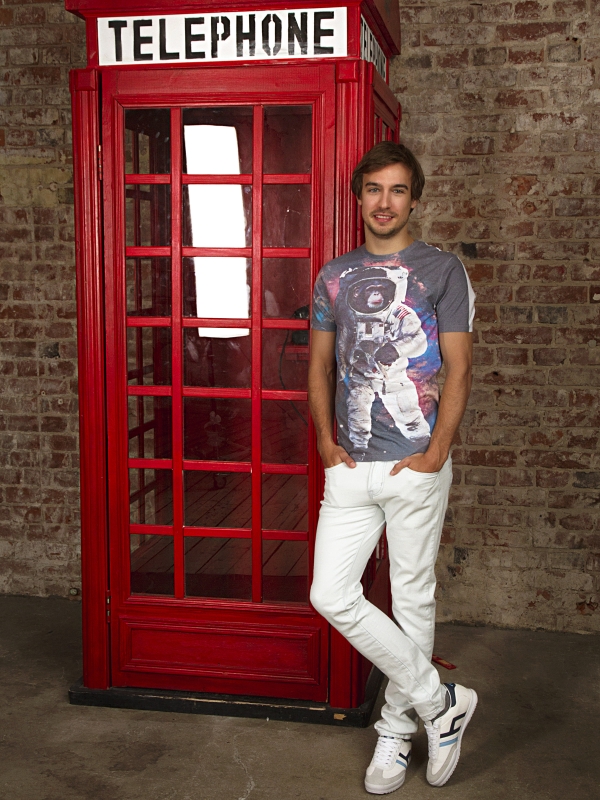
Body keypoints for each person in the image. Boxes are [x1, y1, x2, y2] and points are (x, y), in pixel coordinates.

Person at [308, 141, 477, 793]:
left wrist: (437, 452)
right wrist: (326, 443)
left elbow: (459, 367)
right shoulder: (333, 275)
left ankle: (396, 732)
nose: (384, 202)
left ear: (415, 199)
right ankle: (441, 702)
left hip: (415, 462)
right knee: (331, 594)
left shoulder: (442, 271)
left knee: (412, 599)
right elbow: (320, 365)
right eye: (374, 189)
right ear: (358, 197)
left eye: (398, 190)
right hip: (351, 463)